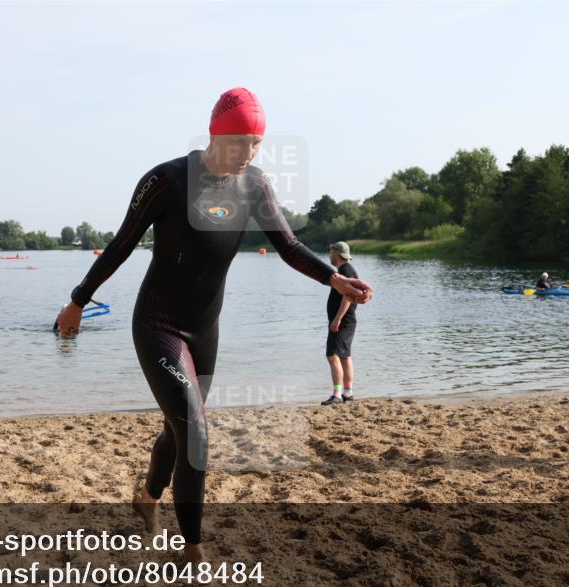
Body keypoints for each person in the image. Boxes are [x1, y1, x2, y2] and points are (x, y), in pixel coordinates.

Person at [54, 88, 374, 560]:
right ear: (216, 135)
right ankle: (193, 551)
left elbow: (287, 246)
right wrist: (78, 301)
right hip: (158, 324)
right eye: (241, 141)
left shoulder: (255, 185)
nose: (250, 152)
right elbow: (121, 245)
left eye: (257, 143)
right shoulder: (166, 180)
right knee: (197, 433)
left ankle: (148, 497)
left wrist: (335, 279)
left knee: (179, 428)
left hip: (205, 330)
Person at [321, 241, 358, 405]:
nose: (329, 255)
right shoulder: (345, 270)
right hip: (345, 321)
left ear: (337, 253)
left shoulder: (346, 271)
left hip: (343, 321)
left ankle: (337, 394)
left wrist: (337, 319)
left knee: (332, 355)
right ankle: (348, 392)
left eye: (330, 252)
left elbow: (348, 297)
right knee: (344, 355)